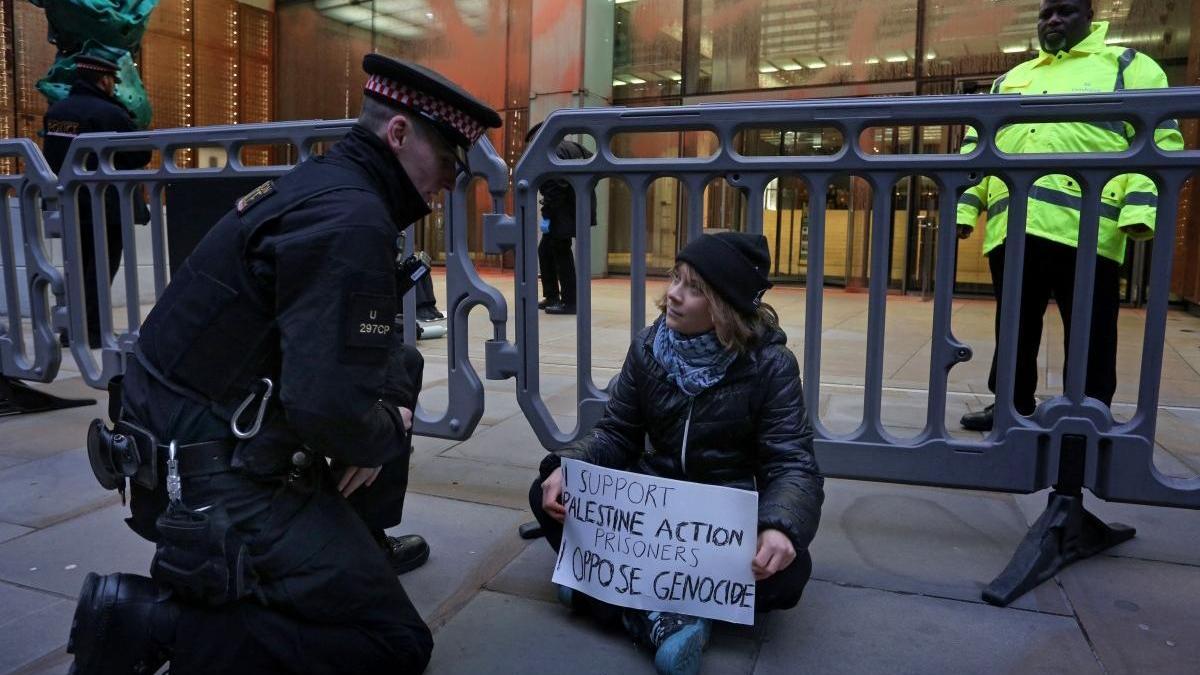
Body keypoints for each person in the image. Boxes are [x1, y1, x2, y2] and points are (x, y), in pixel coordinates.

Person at [67, 54, 501, 674]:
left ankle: (349, 548)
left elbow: (345, 369)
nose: (449, 185)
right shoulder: (352, 219)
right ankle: (154, 623)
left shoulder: (324, 187)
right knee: (394, 643)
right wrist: (384, 431)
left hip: (183, 445)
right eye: (448, 164)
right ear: (398, 134)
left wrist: (375, 418)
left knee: (396, 367)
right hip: (210, 483)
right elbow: (327, 410)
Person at [529, 232, 824, 675]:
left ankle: (609, 596)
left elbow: (793, 464)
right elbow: (616, 433)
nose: (672, 295)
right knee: (546, 493)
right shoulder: (648, 348)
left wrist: (779, 528)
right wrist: (570, 467)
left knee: (789, 572)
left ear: (723, 307)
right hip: (651, 514)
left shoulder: (770, 366)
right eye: (675, 279)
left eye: (694, 288)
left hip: (719, 523)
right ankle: (668, 615)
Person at [956, 0, 1184, 431]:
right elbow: (978, 147)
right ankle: (1010, 405)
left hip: (1088, 229)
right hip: (1014, 227)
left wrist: (1138, 212)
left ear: (1090, 18)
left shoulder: (1128, 66)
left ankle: (1089, 411)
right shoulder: (1012, 79)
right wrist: (966, 208)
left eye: (1065, 11)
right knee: (1014, 328)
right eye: (1045, 14)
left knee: (1092, 330)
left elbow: (1159, 141)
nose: (1053, 20)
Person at [42, 54, 151, 348]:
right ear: (103, 80)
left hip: (70, 203)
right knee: (101, 271)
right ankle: (93, 332)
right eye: (112, 81)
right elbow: (141, 154)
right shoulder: (110, 113)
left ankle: (71, 329)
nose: (114, 86)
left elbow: (52, 156)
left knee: (76, 268)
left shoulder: (58, 112)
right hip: (106, 205)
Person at [528, 121, 595, 315]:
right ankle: (552, 295)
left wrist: (548, 210)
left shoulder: (551, 150)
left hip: (562, 211)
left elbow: (555, 186)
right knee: (547, 250)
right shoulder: (572, 146)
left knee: (560, 252)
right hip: (576, 207)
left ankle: (570, 301)